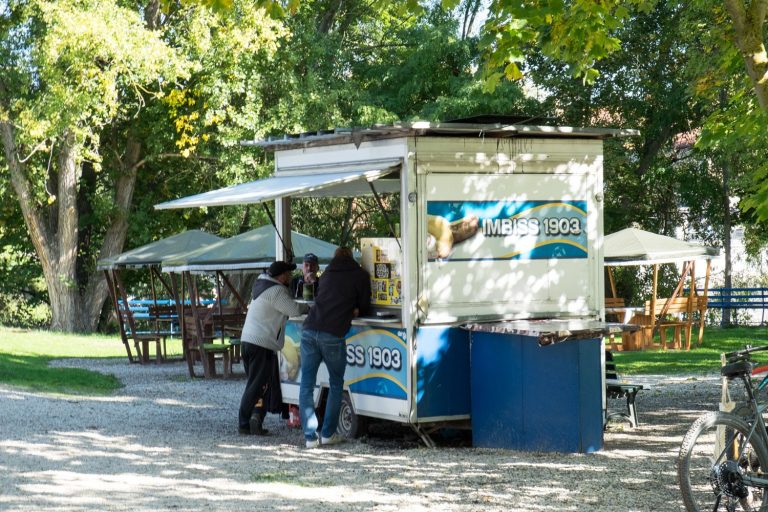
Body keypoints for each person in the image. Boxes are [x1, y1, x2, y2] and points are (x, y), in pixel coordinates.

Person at [299, 247, 370, 448]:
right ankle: (328, 433)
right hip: (333, 334)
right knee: (336, 383)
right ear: (353, 259)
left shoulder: (327, 274)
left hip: (309, 331)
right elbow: (365, 305)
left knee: (306, 385)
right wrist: (353, 310)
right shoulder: (360, 275)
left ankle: (310, 437)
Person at [238, 261, 308, 435]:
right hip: (260, 344)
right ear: (281, 276)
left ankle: (256, 419)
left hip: (249, 341)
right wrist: (311, 305)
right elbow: (294, 310)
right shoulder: (276, 291)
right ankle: (244, 422)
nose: (290, 277)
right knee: (256, 386)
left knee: (260, 386)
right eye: (288, 274)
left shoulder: (263, 286)